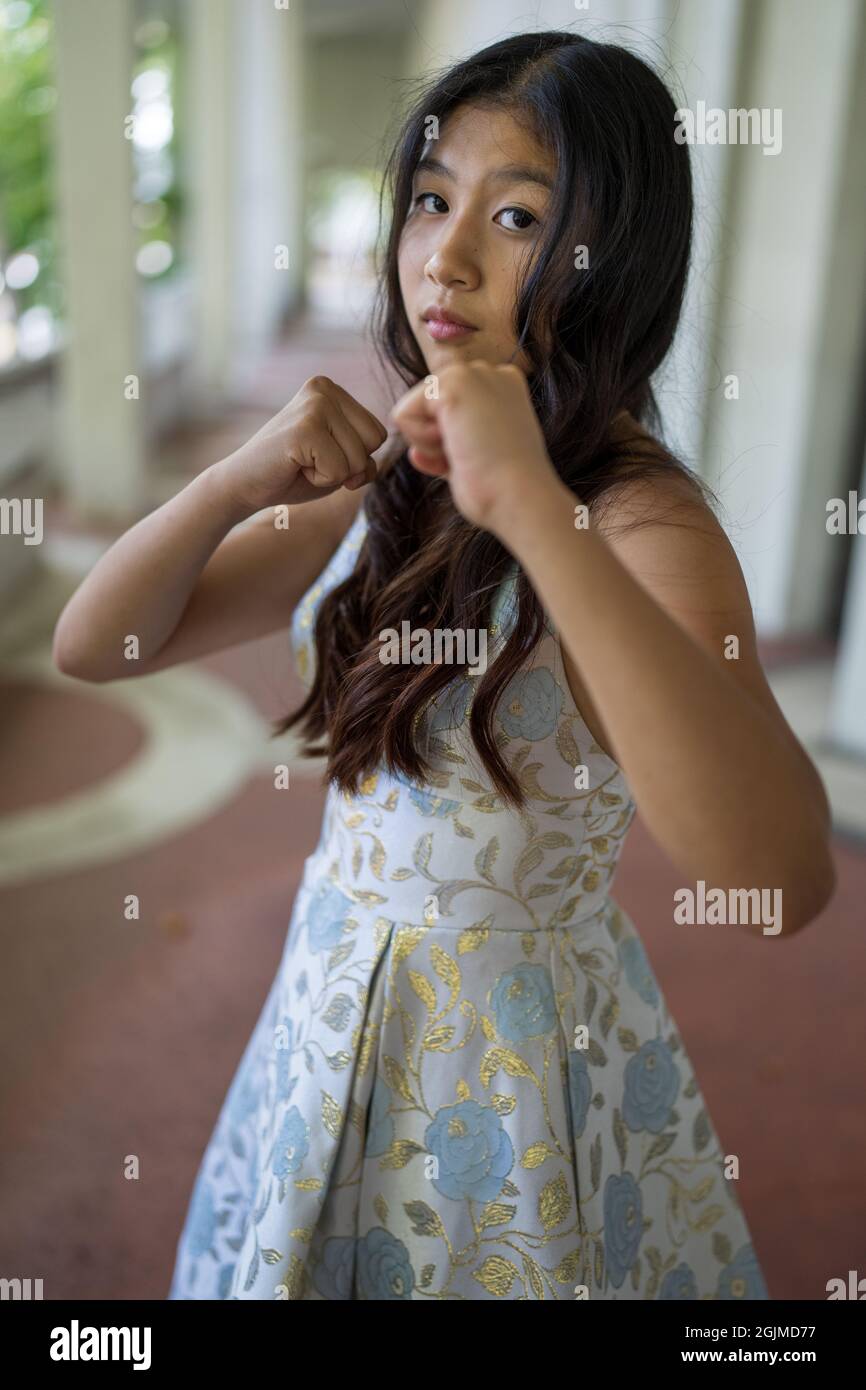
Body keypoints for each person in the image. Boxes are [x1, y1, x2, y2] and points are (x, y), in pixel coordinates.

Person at [54, 30, 835, 1301]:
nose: (445, 254)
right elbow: (97, 644)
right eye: (429, 199)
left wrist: (530, 504)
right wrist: (230, 482)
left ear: (615, 258)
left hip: (509, 1076)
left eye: (515, 216)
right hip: (332, 1006)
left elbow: (776, 882)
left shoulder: (642, 522)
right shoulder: (394, 477)